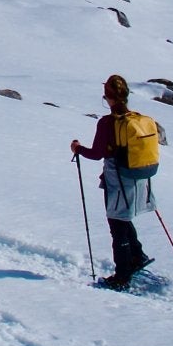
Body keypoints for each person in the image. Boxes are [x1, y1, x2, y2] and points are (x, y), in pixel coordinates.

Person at [70, 74, 162, 289]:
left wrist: (77, 148)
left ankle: (122, 276)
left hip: (117, 178)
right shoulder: (137, 120)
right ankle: (137, 255)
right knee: (123, 217)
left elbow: (97, 154)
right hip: (138, 176)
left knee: (116, 223)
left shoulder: (107, 123)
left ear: (108, 98)